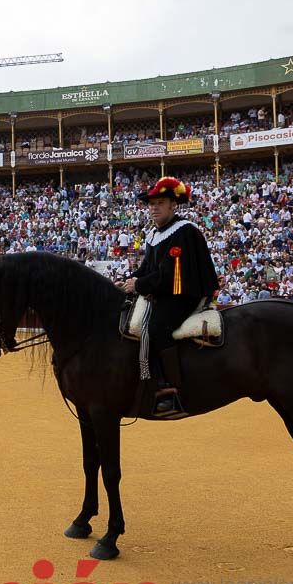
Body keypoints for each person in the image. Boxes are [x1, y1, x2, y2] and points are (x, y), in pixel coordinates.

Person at [119, 176, 219, 417]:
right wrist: (128, 280)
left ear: (174, 205)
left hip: (182, 294)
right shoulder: (156, 233)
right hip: (164, 292)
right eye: (151, 204)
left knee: (156, 329)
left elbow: (168, 274)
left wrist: (139, 284)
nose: (153, 207)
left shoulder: (183, 231)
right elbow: (147, 269)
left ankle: (170, 390)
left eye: (160, 202)